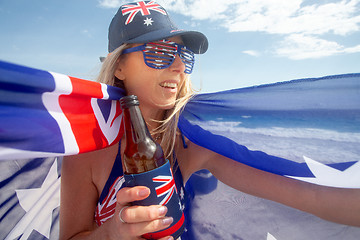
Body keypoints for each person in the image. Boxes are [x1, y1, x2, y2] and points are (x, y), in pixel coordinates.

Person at [59, 1, 360, 240]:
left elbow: (311, 195)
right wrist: (112, 233)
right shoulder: (87, 148)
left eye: (184, 56)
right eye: (161, 53)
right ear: (119, 66)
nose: (179, 67)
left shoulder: (188, 142)